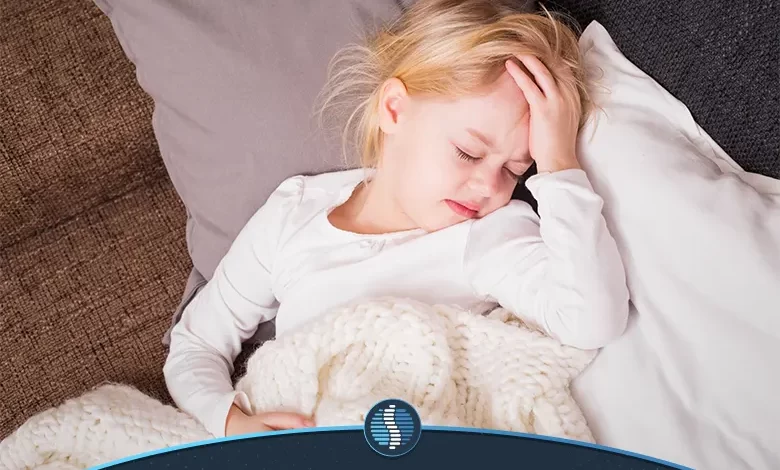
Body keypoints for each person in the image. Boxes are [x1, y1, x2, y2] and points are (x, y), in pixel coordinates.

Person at [163, 0, 629, 439]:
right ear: (394, 110)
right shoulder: (293, 213)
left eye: (514, 169)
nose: (488, 186)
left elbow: (592, 322)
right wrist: (230, 421)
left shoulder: (490, 234)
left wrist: (559, 167)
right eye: (468, 152)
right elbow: (196, 344)